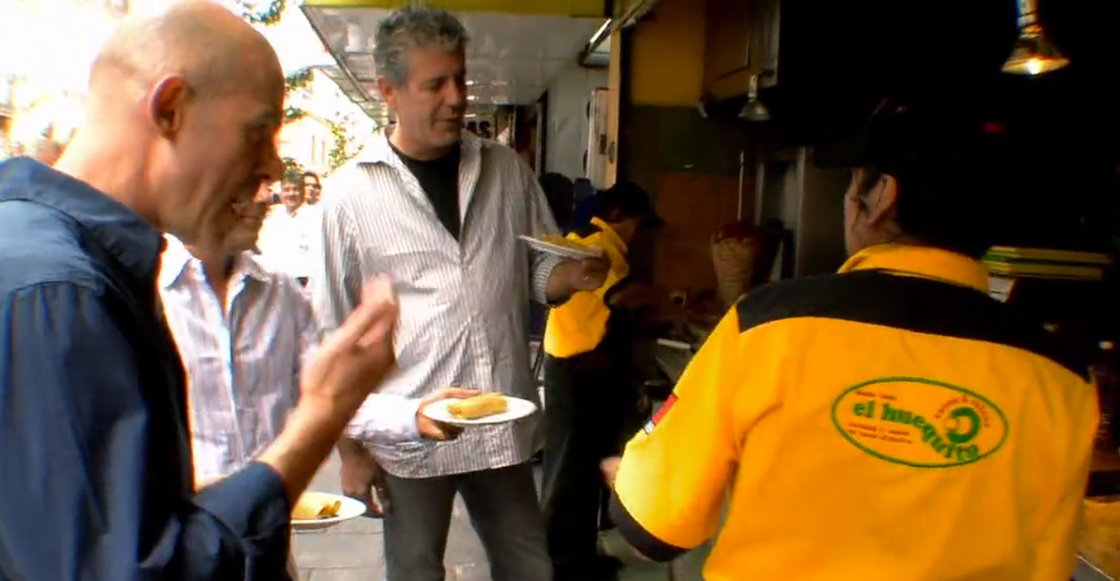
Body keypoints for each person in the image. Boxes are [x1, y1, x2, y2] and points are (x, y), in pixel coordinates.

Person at [602, 100, 1099, 580]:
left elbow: (654, 526)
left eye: (851, 182)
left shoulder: (768, 326)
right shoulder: (1064, 377)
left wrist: (630, 475)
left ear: (881, 196)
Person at [0, 3, 399, 579]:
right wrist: (321, 414)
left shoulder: (66, 261)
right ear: (169, 108)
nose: (270, 167)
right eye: (258, 131)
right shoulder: (58, 293)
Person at [312, 7, 609, 581]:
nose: (456, 98)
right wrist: (351, 445)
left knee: (530, 568)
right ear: (389, 93)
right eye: (435, 85)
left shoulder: (505, 169)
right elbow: (330, 329)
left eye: (461, 79)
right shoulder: (349, 196)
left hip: (500, 419)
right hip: (409, 432)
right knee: (415, 569)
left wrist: (567, 280)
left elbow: (534, 266)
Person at [539, 181, 663, 581]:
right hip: (576, 371)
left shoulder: (604, 244)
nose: (638, 234)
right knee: (568, 473)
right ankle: (559, 565)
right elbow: (622, 296)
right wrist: (675, 301)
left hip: (590, 371)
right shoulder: (595, 244)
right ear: (617, 215)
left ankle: (581, 556)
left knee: (588, 470)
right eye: (638, 224)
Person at [258, 171, 320, 288]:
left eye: (295, 189)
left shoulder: (315, 217)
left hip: (306, 282)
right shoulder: (272, 217)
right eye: (287, 190)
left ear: (302, 191)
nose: (291, 193)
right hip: (276, 283)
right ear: (281, 192)